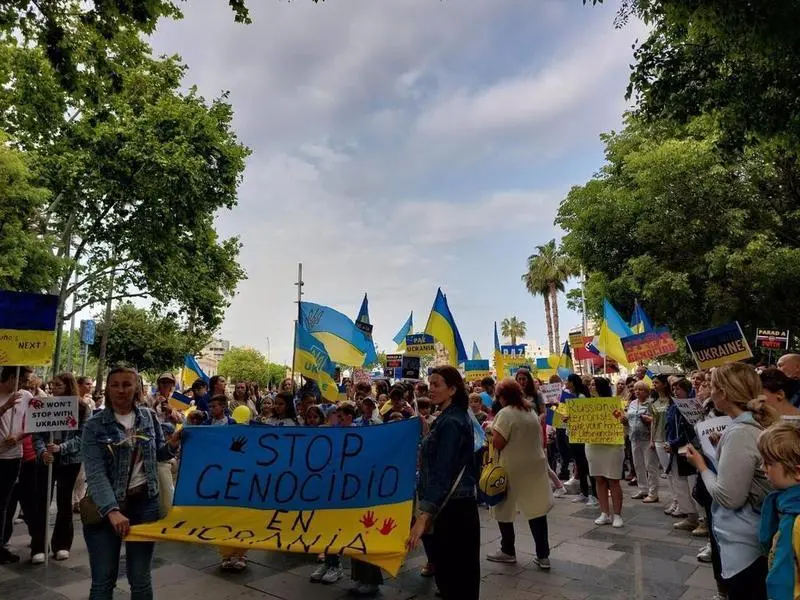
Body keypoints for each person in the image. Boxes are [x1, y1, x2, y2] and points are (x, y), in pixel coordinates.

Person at [82, 366, 181, 600]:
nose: (121, 390)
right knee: (103, 581)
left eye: (127, 384)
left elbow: (158, 454)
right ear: (107, 389)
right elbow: (95, 474)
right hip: (104, 510)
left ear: (136, 387)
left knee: (141, 579)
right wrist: (112, 511)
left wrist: (173, 444)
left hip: (145, 505)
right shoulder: (94, 426)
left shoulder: (148, 416)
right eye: (115, 385)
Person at [685, 363, 776, 600]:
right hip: (753, 538)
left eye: (712, 386)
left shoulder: (740, 432)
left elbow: (729, 497)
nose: (708, 391)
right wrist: (720, 452)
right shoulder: (750, 425)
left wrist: (702, 466)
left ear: (723, 393)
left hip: (746, 542)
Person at [408, 366, 479, 600]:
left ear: (452, 389)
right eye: (430, 384)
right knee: (456, 573)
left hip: (452, 508)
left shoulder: (452, 421)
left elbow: (443, 471)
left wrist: (424, 516)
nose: (431, 389)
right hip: (454, 504)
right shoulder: (449, 418)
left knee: (454, 574)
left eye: (437, 384)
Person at [486, 378, 553, 568]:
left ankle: (507, 550)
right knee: (536, 508)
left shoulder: (505, 414)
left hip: (512, 466)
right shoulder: (530, 411)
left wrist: (490, 430)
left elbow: (499, 442)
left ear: (503, 396)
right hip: (534, 465)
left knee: (503, 506)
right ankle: (543, 555)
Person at [33, 373, 88, 562]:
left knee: (64, 501)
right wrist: (42, 452)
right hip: (47, 459)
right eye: (52, 384)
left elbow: (82, 437)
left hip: (69, 460)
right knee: (42, 502)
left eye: (58, 385)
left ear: (68, 386)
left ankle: (62, 544)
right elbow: (37, 435)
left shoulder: (81, 408)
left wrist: (61, 448)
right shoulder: (43, 405)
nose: (53, 387)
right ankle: (38, 546)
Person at [757, 422, 800, 600]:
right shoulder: (784, 505)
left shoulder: (796, 520)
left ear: (797, 472)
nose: (762, 468)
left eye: (768, 463)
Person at [0, 366, 33, 564]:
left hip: (12, 457)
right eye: (22, 380)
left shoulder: (26, 396)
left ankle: (1, 544)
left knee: (3, 504)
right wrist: (5, 407)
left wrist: (19, 436)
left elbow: (34, 423)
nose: (24, 385)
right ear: (11, 377)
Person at [584, 377, 626, 527]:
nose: (591, 386)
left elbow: (622, 421)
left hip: (611, 445)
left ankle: (617, 514)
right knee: (599, 479)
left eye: (594, 384)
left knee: (613, 479)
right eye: (590, 384)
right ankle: (604, 513)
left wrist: (622, 419)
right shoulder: (585, 405)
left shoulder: (613, 403)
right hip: (593, 445)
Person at [666, 378, 702, 533]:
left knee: (692, 484)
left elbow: (690, 430)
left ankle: (702, 519)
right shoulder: (673, 407)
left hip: (688, 449)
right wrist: (670, 443)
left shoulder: (692, 406)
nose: (675, 392)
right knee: (680, 484)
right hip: (675, 450)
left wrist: (674, 443)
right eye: (674, 389)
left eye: (679, 389)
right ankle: (690, 516)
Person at [564, 374, 598, 507]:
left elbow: (584, 416)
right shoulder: (571, 397)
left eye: (568, 381)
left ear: (572, 383)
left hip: (581, 436)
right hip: (572, 434)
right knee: (580, 466)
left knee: (586, 466)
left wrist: (570, 417)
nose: (566, 383)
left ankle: (594, 494)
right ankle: (584, 493)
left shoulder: (581, 397)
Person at [624, 381, 659, 501]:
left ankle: (653, 492)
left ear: (647, 391)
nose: (637, 392)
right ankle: (642, 488)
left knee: (650, 466)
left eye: (640, 389)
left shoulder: (651, 403)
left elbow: (656, 420)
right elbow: (628, 418)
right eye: (635, 389)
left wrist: (648, 419)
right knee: (638, 465)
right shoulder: (632, 403)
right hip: (634, 437)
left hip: (647, 438)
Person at [647, 374, 672, 507]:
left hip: (670, 440)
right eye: (653, 383)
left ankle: (678, 501)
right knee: (667, 472)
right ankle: (675, 501)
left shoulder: (672, 400)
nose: (654, 385)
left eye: (656, 382)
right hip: (658, 439)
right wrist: (652, 440)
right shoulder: (653, 403)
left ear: (664, 384)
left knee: (673, 472)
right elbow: (654, 422)